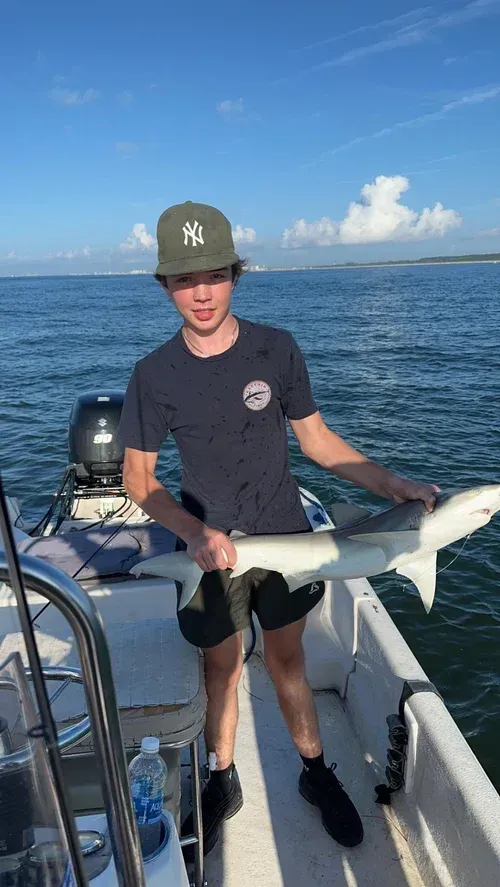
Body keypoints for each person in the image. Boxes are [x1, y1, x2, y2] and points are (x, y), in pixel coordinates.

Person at [117, 201, 440, 854]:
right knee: (223, 667)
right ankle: (221, 773)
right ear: (163, 285)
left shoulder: (276, 348)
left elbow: (318, 443)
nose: (201, 292)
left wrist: (393, 484)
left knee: (288, 658)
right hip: (209, 545)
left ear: (236, 273)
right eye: (184, 278)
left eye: (214, 273)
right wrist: (195, 532)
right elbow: (138, 481)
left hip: (287, 536)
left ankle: (315, 772)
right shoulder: (154, 375)